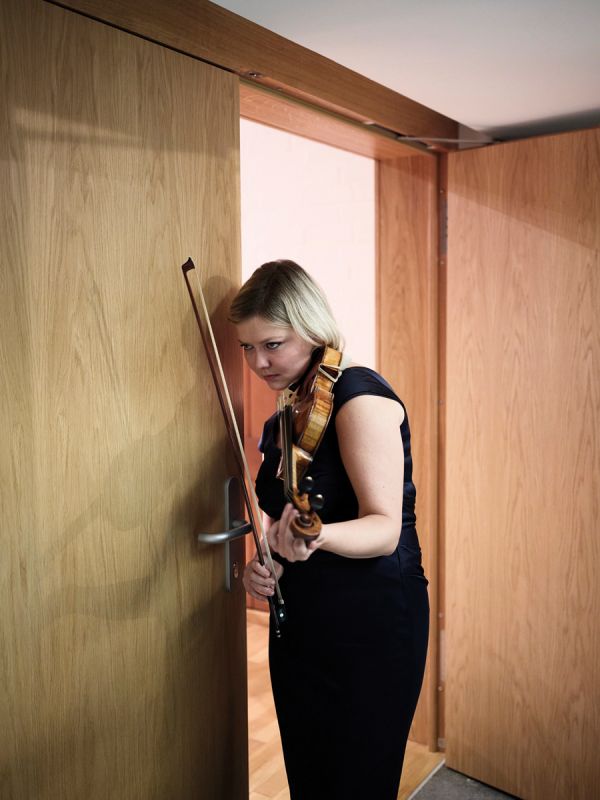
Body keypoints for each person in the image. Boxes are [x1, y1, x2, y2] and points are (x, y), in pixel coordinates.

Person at [231, 260, 429, 800]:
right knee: (311, 777)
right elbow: (279, 522)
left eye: (272, 343)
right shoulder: (286, 414)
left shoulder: (358, 397)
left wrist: (317, 537)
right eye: (247, 347)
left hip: (370, 621)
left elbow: (384, 529)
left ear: (313, 327)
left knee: (356, 781)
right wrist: (264, 562)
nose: (258, 362)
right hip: (303, 623)